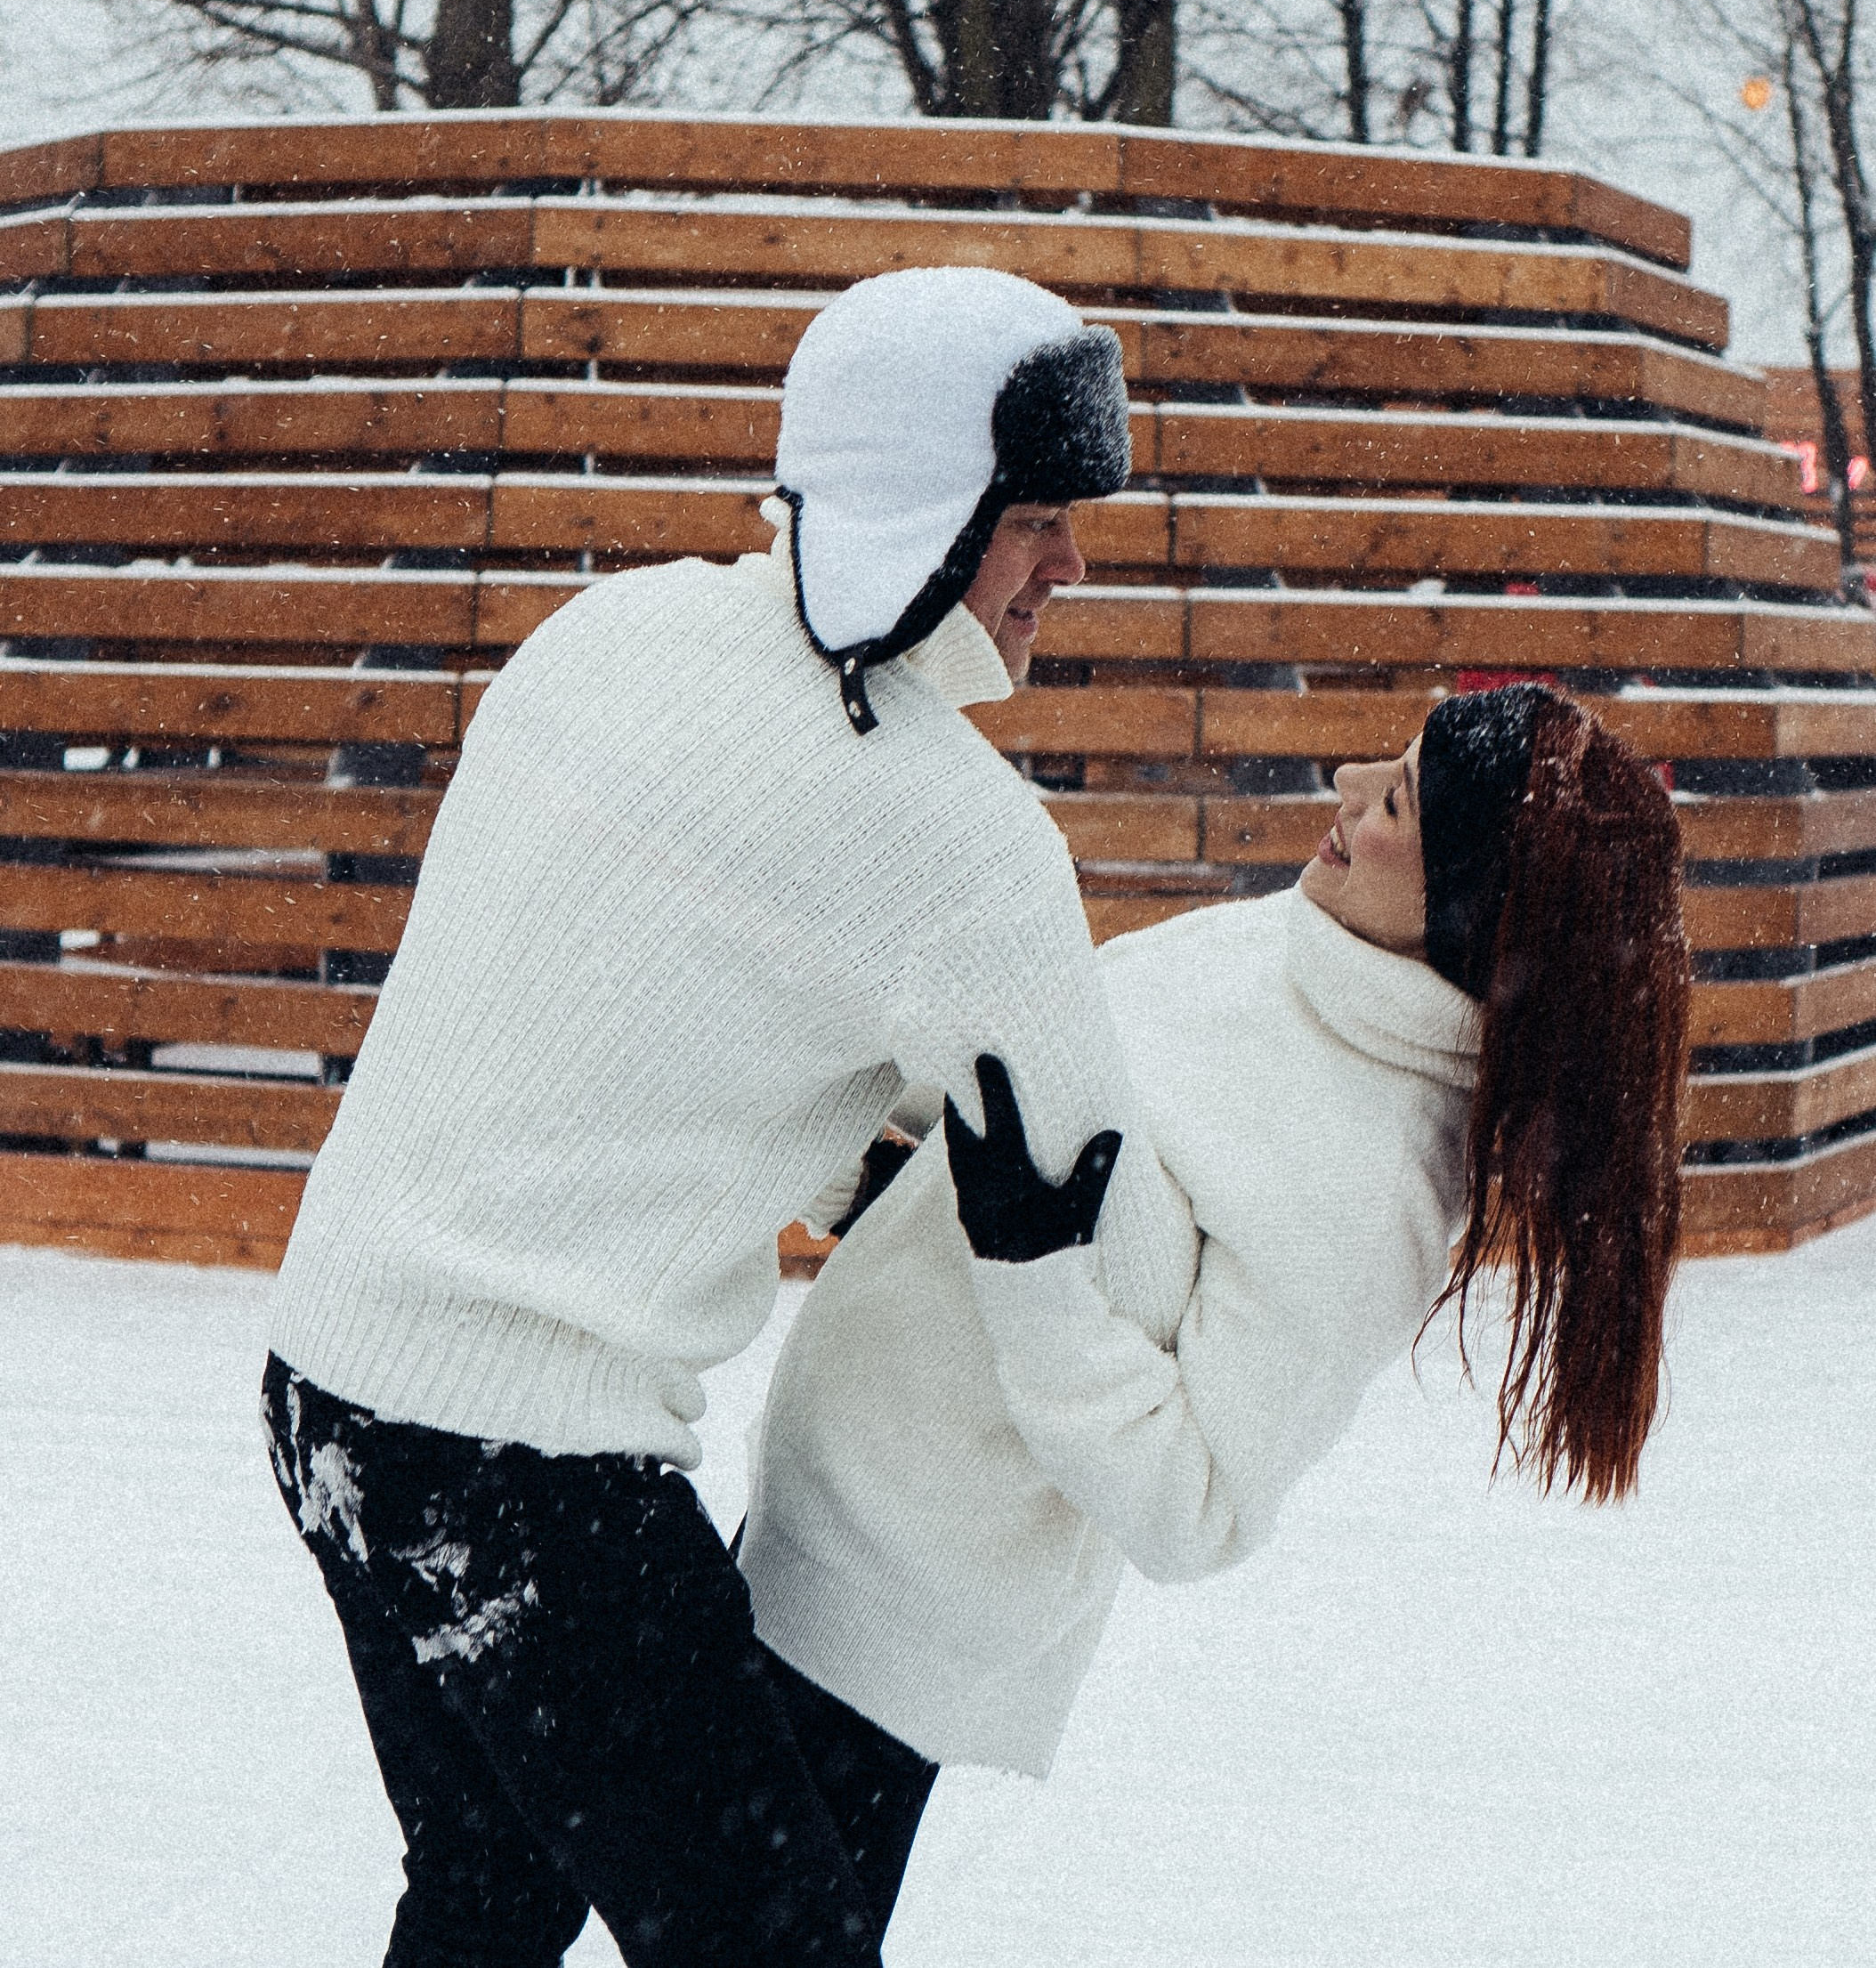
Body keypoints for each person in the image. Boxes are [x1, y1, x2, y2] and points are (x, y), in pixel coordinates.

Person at [259, 264, 1198, 1968]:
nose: (1073, 564)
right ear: (930, 508)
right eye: (1039, 518)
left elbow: (617, 998)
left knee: (488, 1890)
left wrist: (849, 1151)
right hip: (525, 1464)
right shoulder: (963, 838)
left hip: (327, 1390)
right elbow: (1122, 1236)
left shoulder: (610, 628)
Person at [739, 681, 1690, 1923]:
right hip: (816, 1504)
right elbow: (1076, 1136)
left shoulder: (1371, 1177)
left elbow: (1196, 1503)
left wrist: (1029, 1270)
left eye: (1395, 796)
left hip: (891, 1610)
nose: (1346, 789)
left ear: (1467, 909)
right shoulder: (1312, 950)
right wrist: (916, 1185)